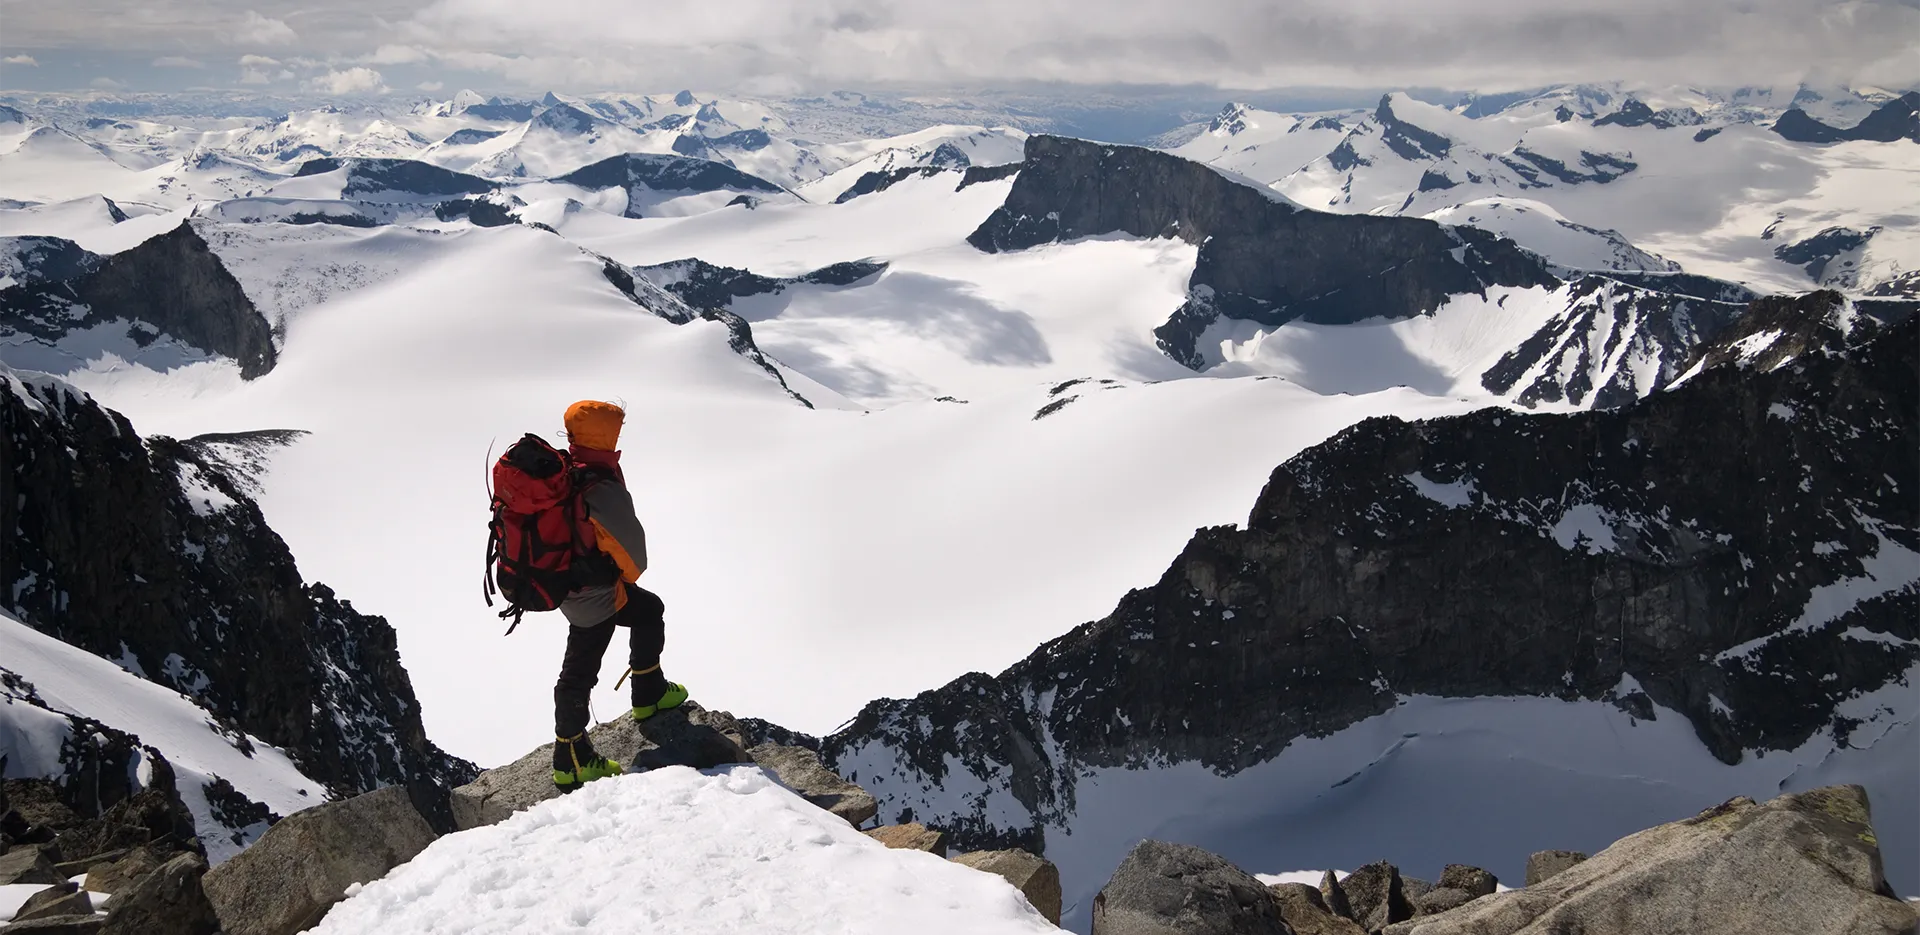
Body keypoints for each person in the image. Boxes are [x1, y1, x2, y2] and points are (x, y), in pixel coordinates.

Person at [550, 399, 688, 791]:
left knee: (647, 610)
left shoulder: (566, 470)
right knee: (579, 670)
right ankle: (571, 758)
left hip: (569, 584)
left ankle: (649, 691)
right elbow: (633, 556)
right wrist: (619, 579)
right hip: (594, 594)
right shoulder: (598, 482)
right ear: (607, 435)